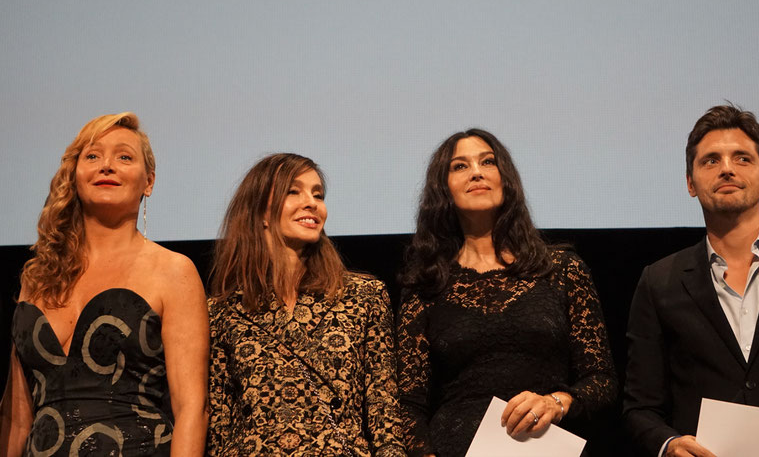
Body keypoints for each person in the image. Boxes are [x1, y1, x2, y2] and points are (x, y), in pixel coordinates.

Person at [623, 104, 759, 457]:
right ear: (691, 184)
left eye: (742, 159)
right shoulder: (659, 281)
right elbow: (640, 407)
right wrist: (669, 443)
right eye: (710, 160)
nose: (726, 169)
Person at [397, 128, 617, 457]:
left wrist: (557, 402)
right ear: (443, 190)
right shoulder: (426, 285)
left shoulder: (562, 269)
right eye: (460, 166)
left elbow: (601, 378)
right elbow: (408, 405)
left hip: (546, 447)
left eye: (488, 162)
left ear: (506, 179)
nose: (476, 172)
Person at [0, 112, 209, 456]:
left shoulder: (173, 270)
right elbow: (17, 418)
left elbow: (191, 409)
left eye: (124, 157)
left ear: (149, 182)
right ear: (75, 175)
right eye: (93, 156)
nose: (107, 166)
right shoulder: (38, 276)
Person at [207, 153, 406, 456]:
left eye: (318, 194)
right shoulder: (223, 311)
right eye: (293, 191)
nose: (312, 202)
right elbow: (220, 427)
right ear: (261, 210)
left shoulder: (364, 296)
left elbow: (384, 413)